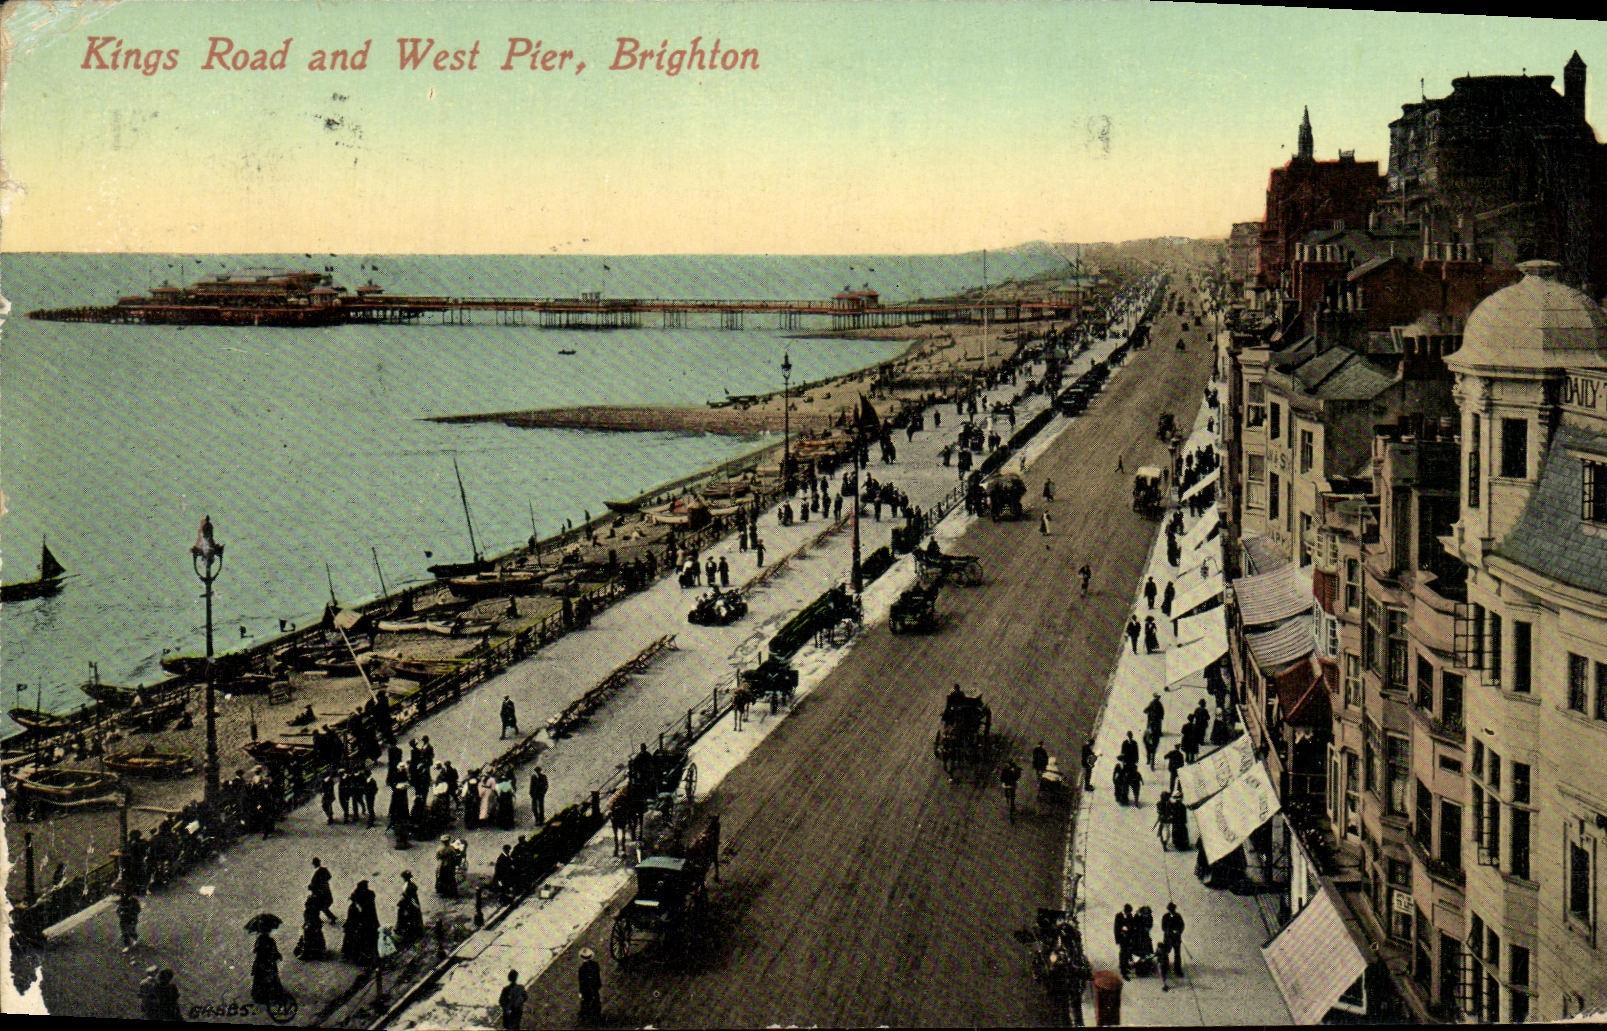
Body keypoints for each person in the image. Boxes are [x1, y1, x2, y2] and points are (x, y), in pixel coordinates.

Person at [251, 928, 284, 1005]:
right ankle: (271, 994)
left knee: (261, 978)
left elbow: (256, 951)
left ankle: (261, 995)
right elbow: (274, 951)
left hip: (261, 962)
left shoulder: (259, 940)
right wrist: (277, 955)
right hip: (268, 962)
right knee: (270, 977)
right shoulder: (270, 940)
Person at [296, 892, 328, 961]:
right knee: (312, 940)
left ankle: (309, 953)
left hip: (311, 927)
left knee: (309, 940)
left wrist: (310, 925)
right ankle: (317, 952)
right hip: (310, 927)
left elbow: (314, 920)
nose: (306, 904)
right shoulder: (309, 911)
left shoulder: (312, 911)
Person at [309, 858, 338, 925]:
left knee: (320, 907)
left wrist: (313, 887)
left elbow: (314, 884)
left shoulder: (318, 873)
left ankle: (331, 918)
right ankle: (331, 918)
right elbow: (329, 877)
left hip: (322, 895)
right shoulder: (323, 871)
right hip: (324, 894)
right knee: (321, 907)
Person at [578, 946, 602, 1023]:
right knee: (596, 999)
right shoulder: (595, 965)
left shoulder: (582, 969)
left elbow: (582, 982)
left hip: (586, 989)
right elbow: (597, 976)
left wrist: (580, 992)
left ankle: (586, 1016)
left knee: (586, 1002)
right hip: (595, 987)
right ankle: (597, 1014)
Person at [1161, 903, 1186, 978]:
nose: (1171, 910)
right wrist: (1169, 930)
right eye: (1170, 909)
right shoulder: (1165, 916)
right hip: (1168, 939)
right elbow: (1163, 927)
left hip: (1176, 939)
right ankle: (1165, 969)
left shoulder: (1178, 916)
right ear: (1168, 909)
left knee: (1177, 954)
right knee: (1165, 953)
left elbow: (1182, 926)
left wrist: (1178, 931)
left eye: (1173, 909)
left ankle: (1177, 970)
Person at [1114, 904, 1134, 979]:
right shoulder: (1119, 916)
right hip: (1122, 938)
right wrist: (1118, 939)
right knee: (1123, 953)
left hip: (1128, 939)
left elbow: (1132, 927)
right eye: (1127, 911)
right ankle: (1123, 970)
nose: (1128, 913)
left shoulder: (1130, 917)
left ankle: (1126, 966)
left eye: (1129, 912)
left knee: (1128, 952)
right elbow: (1116, 928)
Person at [999, 759, 1021, 823]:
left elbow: (1017, 777)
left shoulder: (1013, 769)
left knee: (1012, 797)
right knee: (1008, 794)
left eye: (1006, 763)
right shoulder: (1005, 770)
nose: (1005, 764)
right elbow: (1002, 778)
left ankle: (1012, 807)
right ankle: (1009, 800)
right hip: (1008, 785)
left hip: (1011, 785)